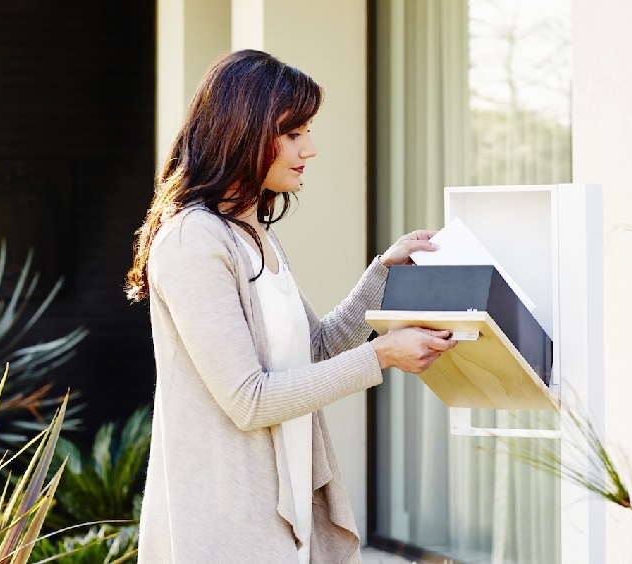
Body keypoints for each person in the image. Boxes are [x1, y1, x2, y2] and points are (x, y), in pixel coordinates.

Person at [124, 49, 457, 564]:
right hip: (224, 531)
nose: (311, 148)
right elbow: (249, 399)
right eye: (294, 132)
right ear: (245, 132)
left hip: (287, 519)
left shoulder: (256, 234)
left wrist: (383, 274)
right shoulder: (194, 241)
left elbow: (316, 349)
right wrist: (383, 356)